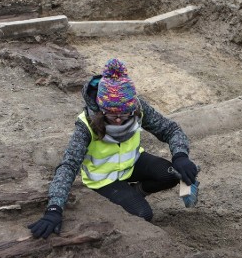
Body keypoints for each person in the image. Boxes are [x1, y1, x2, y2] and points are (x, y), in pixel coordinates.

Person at [28, 58, 200, 239]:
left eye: (124, 114)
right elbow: (68, 166)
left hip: (131, 163)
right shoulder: (86, 124)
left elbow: (170, 129)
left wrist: (180, 155)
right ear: (101, 108)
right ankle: (123, 198)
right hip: (103, 178)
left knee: (173, 174)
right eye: (111, 114)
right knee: (143, 214)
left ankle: (135, 192)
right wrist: (54, 209)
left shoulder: (138, 108)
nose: (118, 119)